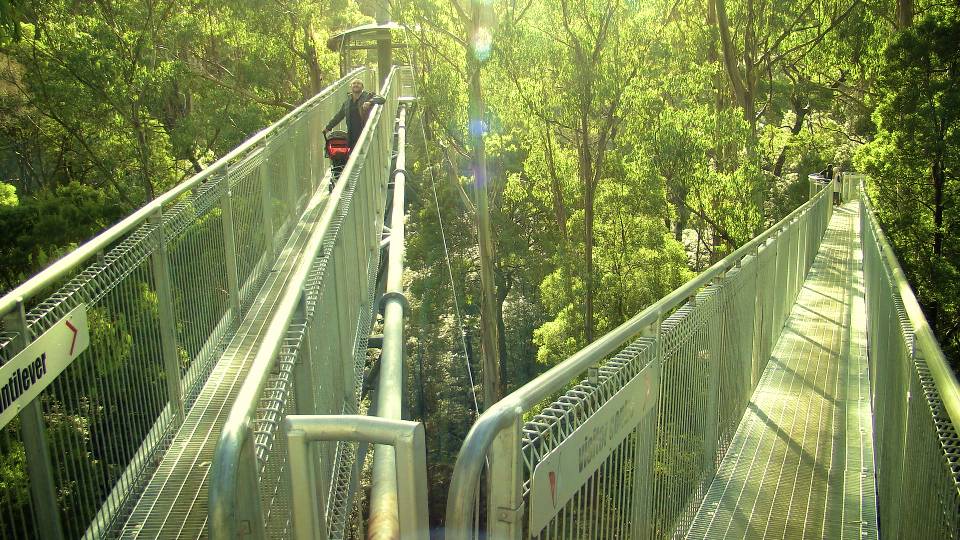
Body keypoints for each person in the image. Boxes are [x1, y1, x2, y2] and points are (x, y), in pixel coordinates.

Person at [323, 79, 385, 150]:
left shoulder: (368, 96)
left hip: (365, 133)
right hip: (351, 135)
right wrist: (328, 127)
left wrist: (370, 102)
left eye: (358, 83)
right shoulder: (347, 103)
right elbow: (339, 116)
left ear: (362, 87)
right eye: (354, 83)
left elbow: (382, 99)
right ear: (351, 87)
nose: (356, 85)